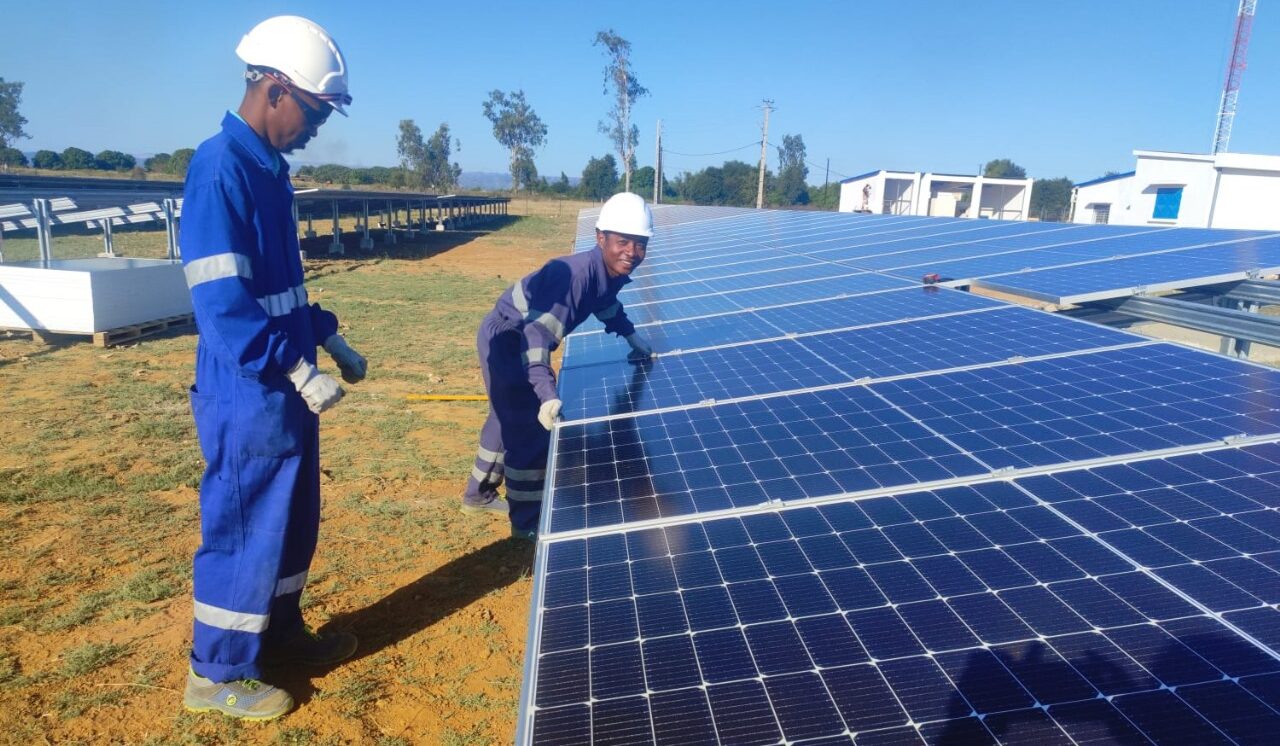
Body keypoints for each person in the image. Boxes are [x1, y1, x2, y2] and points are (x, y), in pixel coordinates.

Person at [178, 15, 367, 721]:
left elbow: (281, 292)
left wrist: (328, 337)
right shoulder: (221, 168)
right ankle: (217, 672)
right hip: (248, 389)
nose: (317, 127)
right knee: (245, 523)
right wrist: (294, 365)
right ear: (276, 89)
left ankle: (278, 633)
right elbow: (223, 302)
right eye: (315, 112)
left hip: (287, 386)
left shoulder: (269, 171)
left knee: (291, 521)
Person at [461, 192, 655, 539]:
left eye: (640, 244)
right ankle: (527, 523)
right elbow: (535, 339)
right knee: (528, 431)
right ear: (601, 238)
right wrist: (547, 394)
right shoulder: (577, 277)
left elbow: (606, 305)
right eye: (623, 241)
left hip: (512, 334)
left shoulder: (604, 273)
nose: (631, 252)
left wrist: (631, 337)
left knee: (504, 415)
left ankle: (477, 495)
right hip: (508, 338)